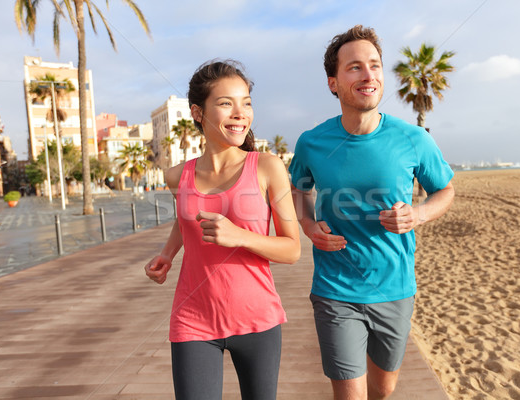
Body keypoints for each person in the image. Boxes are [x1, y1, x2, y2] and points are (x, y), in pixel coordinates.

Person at [288, 26, 455, 400]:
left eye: (375, 66)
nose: (368, 75)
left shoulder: (414, 139)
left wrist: (418, 215)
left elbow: (444, 190)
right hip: (335, 289)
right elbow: (297, 189)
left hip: (395, 288)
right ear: (333, 83)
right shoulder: (312, 142)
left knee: (383, 391)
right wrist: (309, 225)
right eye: (355, 67)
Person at [145, 60, 300, 400]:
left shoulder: (267, 167)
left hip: (257, 320)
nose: (240, 112)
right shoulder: (177, 177)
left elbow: (292, 250)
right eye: (226, 103)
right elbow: (189, 216)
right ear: (198, 113)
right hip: (193, 318)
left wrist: (239, 236)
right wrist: (167, 254)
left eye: (246, 102)